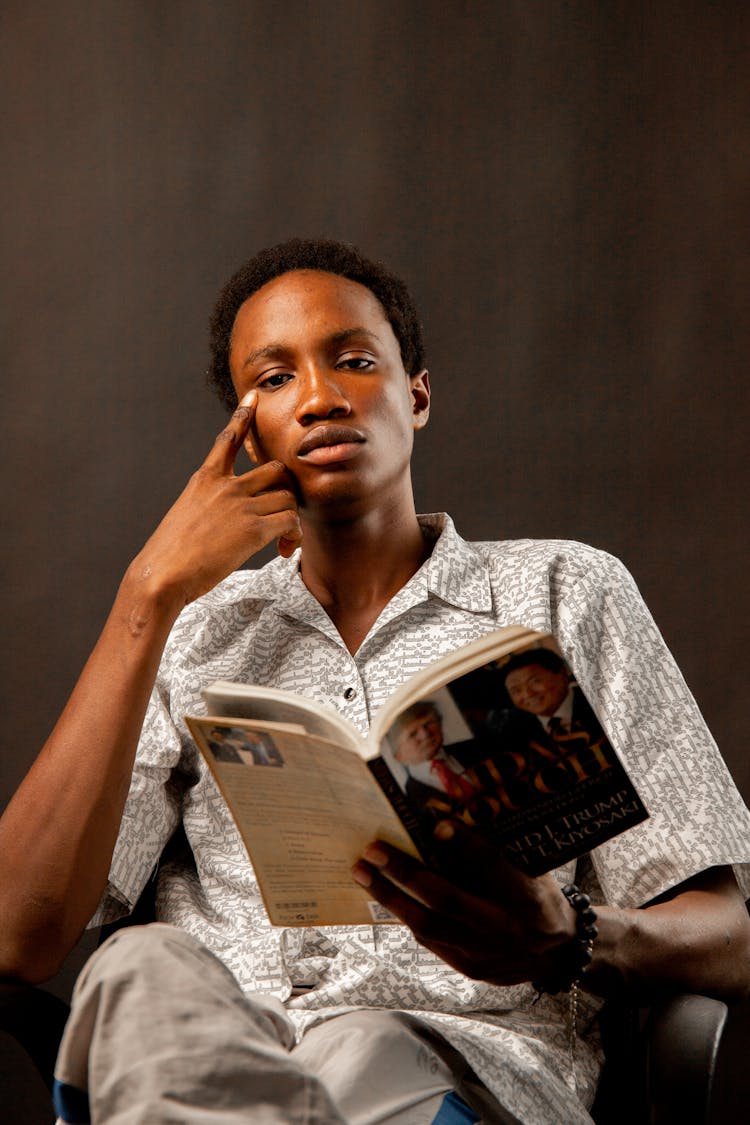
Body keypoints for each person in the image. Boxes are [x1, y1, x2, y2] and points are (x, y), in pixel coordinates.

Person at [1, 238, 749, 1125]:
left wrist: (571, 935)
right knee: (136, 974)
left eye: (354, 361)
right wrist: (147, 594)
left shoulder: (564, 592)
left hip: (455, 1070)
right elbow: (20, 931)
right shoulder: (195, 629)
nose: (319, 397)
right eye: (273, 380)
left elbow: (733, 938)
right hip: (214, 1066)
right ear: (244, 434)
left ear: (417, 395)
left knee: (362, 1043)